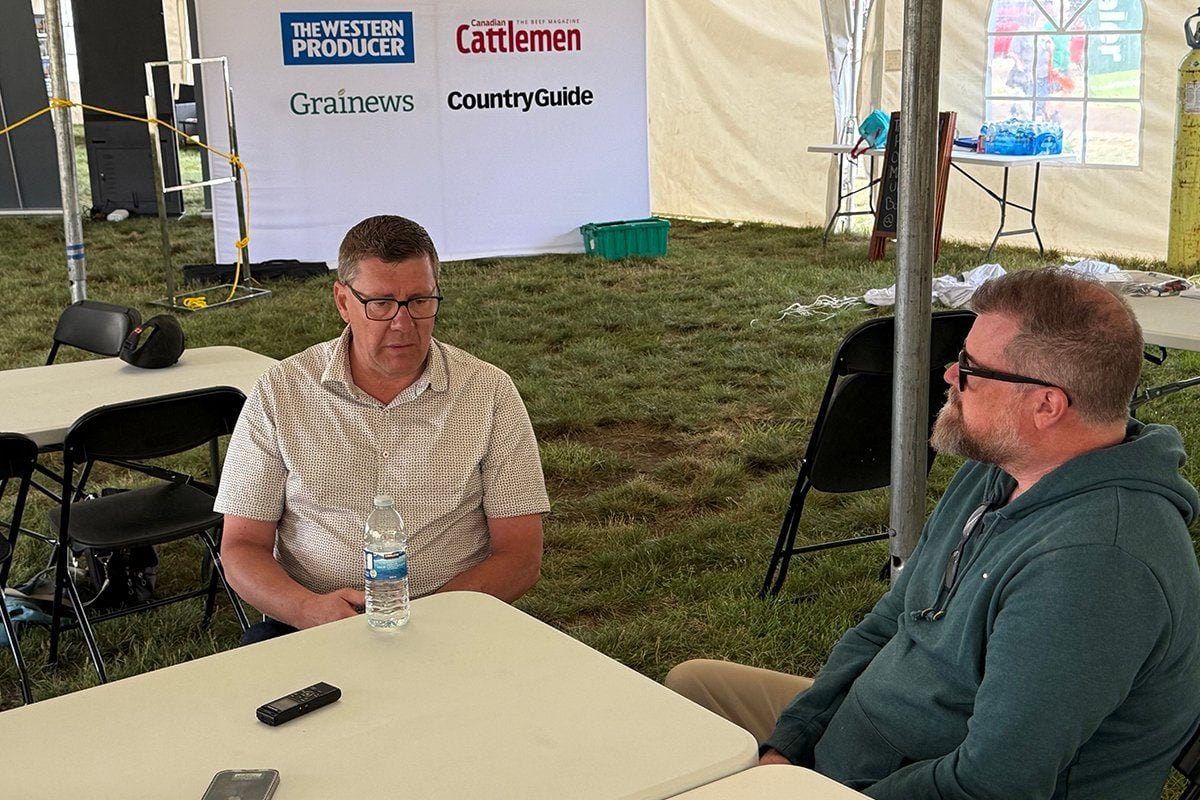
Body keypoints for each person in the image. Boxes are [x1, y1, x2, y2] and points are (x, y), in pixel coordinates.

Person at [667, 269, 1200, 798]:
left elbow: (992, 784)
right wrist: (793, 740)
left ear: (1046, 405)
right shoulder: (1002, 468)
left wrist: (806, 789)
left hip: (899, 782)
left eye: (970, 368)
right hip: (864, 739)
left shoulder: (1095, 566)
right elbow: (892, 619)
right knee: (692, 689)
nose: (948, 375)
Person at [215, 215, 550, 643]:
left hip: (457, 617)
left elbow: (521, 554)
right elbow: (241, 547)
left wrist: (436, 619)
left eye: (420, 301)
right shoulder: (282, 390)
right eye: (381, 304)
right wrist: (308, 610)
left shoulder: (487, 391)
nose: (403, 324)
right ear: (342, 301)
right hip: (312, 619)